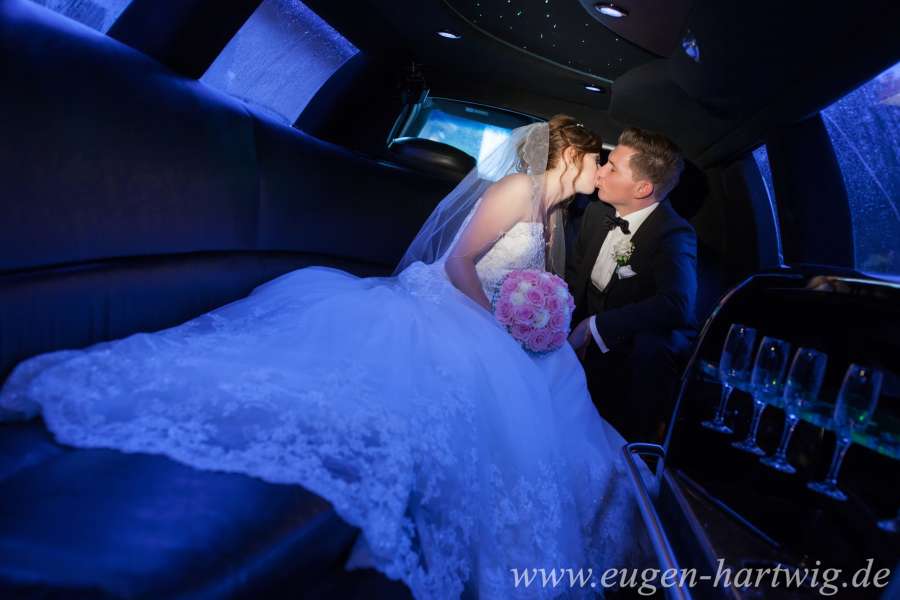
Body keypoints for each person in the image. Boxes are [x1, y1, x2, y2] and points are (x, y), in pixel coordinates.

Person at [0, 116, 646, 599]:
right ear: (573, 154)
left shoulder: (556, 214)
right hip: (451, 302)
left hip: (490, 317)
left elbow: (524, 282)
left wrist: (532, 319)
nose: (601, 170)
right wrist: (500, 325)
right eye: (599, 159)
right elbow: (458, 265)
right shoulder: (515, 188)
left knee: (555, 385)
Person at [566, 127, 698, 445]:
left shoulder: (673, 233)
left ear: (642, 188)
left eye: (612, 168)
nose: (599, 172)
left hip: (627, 353)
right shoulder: (596, 212)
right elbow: (574, 275)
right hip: (575, 343)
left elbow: (677, 304)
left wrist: (595, 326)